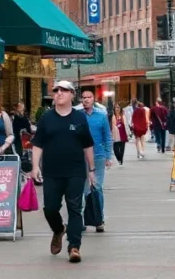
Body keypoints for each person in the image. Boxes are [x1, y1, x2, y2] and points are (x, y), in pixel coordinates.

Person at [31, 81, 96, 264]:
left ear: (71, 94)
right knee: (50, 208)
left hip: (75, 171)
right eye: (56, 90)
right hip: (52, 172)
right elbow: (37, 144)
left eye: (63, 90)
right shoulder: (47, 118)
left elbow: (87, 144)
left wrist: (91, 170)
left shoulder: (79, 118)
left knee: (75, 208)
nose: (58, 93)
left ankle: (74, 246)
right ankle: (59, 229)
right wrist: (35, 167)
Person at [80, 88, 113, 232]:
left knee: (97, 187)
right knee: (83, 189)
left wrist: (108, 156)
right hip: (80, 157)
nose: (86, 99)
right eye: (84, 97)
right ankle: (82, 220)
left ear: (94, 99)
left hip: (98, 156)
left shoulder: (101, 116)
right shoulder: (77, 116)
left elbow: (107, 137)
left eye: (89, 97)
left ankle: (99, 219)